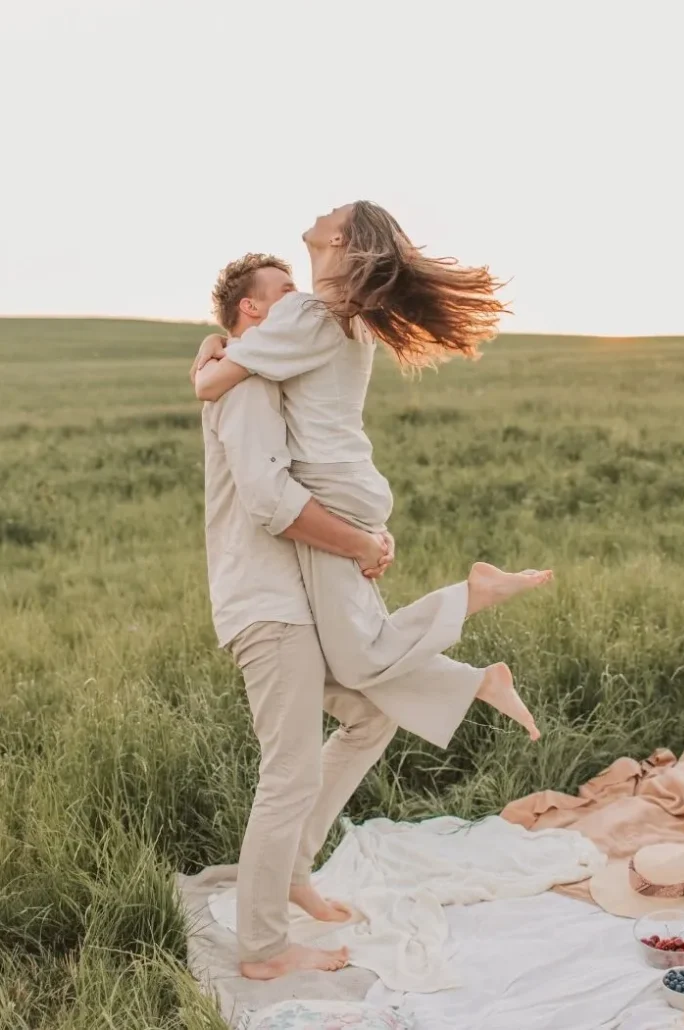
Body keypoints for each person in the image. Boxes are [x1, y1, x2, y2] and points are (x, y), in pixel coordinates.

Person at [193, 203, 553, 750]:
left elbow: (210, 386)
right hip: (348, 478)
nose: (320, 211)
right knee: (357, 648)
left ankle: (474, 614)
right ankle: (476, 671)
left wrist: (206, 353)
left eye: (332, 213)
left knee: (358, 655)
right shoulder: (349, 321)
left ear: (340, 240)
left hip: (327, 485)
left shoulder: (305, 315)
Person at [200, 253, 399, 980]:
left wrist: (367, 535)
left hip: (301, 598)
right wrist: (359, 543)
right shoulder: (246, 385)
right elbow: (268, 500)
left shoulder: (259, 373)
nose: (302, 301)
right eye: (285, 292)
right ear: (252, 312)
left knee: (371, 713)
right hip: (267, 604)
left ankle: (291, 872)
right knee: (286, 771)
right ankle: (263, 949)